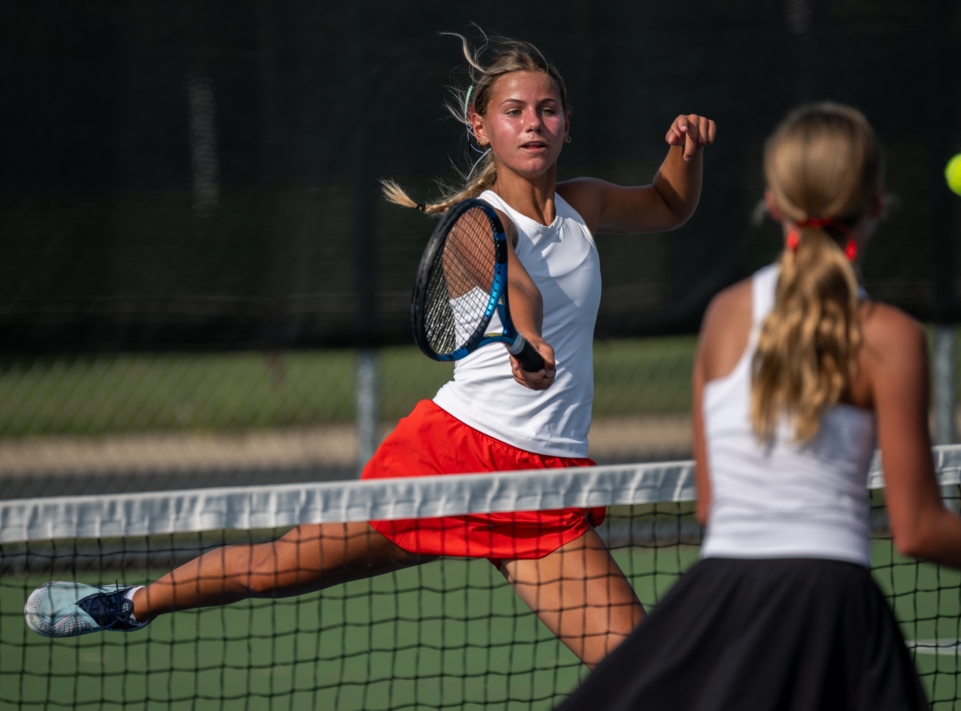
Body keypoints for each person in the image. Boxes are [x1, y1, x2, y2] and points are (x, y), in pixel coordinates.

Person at [24, 32, 716, 669]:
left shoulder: (582, 205)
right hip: (449, 460)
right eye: (514, 111)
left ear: (567, 122)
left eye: (548, 109)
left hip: (544, 481)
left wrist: (685, 152)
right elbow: (517, 289)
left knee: (647, 674)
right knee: (274, 568)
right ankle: (127, 603)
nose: (533, 122)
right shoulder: (475, 224)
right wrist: (528, 340)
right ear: (481, 126)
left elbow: (667, 205)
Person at [556, 102, 961, 709]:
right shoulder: (892, 337)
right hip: (834, 608)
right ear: (876, 205)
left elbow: (711, 506)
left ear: (774, 205)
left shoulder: (723, 317)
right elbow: (919, 530)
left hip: (719, 598)